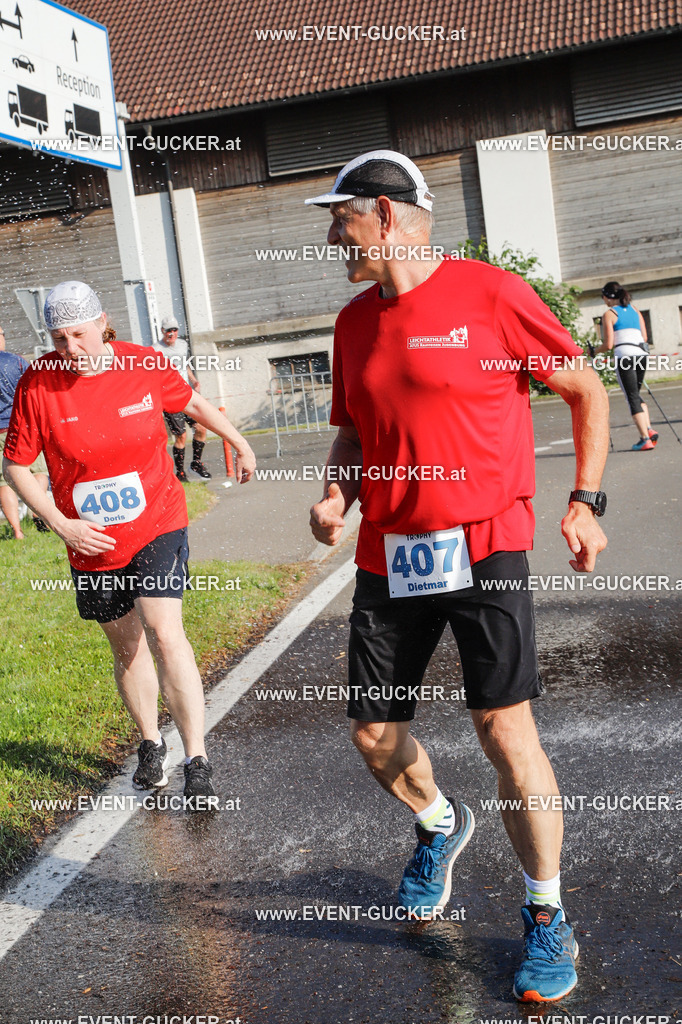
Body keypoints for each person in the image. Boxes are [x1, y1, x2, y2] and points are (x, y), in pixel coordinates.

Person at [307, 151, 610, 1003]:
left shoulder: (491, 295)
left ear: (390, 216)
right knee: (373, 736)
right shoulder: (352, 322)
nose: (334, 235)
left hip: (485, 542)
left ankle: (546, 913)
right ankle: (440, 823)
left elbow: (585, 390)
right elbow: (352, 434)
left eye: (343, 218)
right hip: (390, 553)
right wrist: (337, 493)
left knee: (503, 731)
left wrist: (586, 501)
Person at [3, 282, 256, 805]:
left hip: (157, 521)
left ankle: (196, 756)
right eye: (58, 338)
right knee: (127, 645)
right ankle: (149, 744)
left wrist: (238, 439)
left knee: (164, 632)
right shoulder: (37, 384)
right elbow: (16, 465)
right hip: (89, 538)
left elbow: (192, 403)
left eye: (78, 334)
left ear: (102, 323)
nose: (70, 348)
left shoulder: (142, 364)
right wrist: (58, 521)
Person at [593, 281, 657, 451]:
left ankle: (644, 439)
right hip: (641, 355)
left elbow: (608, 345)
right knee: (636, 393)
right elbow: (644, 336)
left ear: (607, 297)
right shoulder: (635, 310)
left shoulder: (609, 314)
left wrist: (593, 352)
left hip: (625, 356)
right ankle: (649, 429)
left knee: (631, 397)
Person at [0, 325, 49, 538]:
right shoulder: (16, 361)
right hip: (20, 425)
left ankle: (17, 532)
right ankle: (35, 510)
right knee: (38, 471)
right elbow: (35, 387)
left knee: (4, 481)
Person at [154, 315, 211, 481]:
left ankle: (196, 463)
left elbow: (184, 365)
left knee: (200, 428)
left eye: (174, 330)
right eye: (168, 331)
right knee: (181, 436)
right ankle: (179, 473)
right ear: (162, 331)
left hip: (186, 394)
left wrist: (193, 380)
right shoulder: (155, 350)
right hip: (170, 398)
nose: (171, 334)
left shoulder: (182, 345)